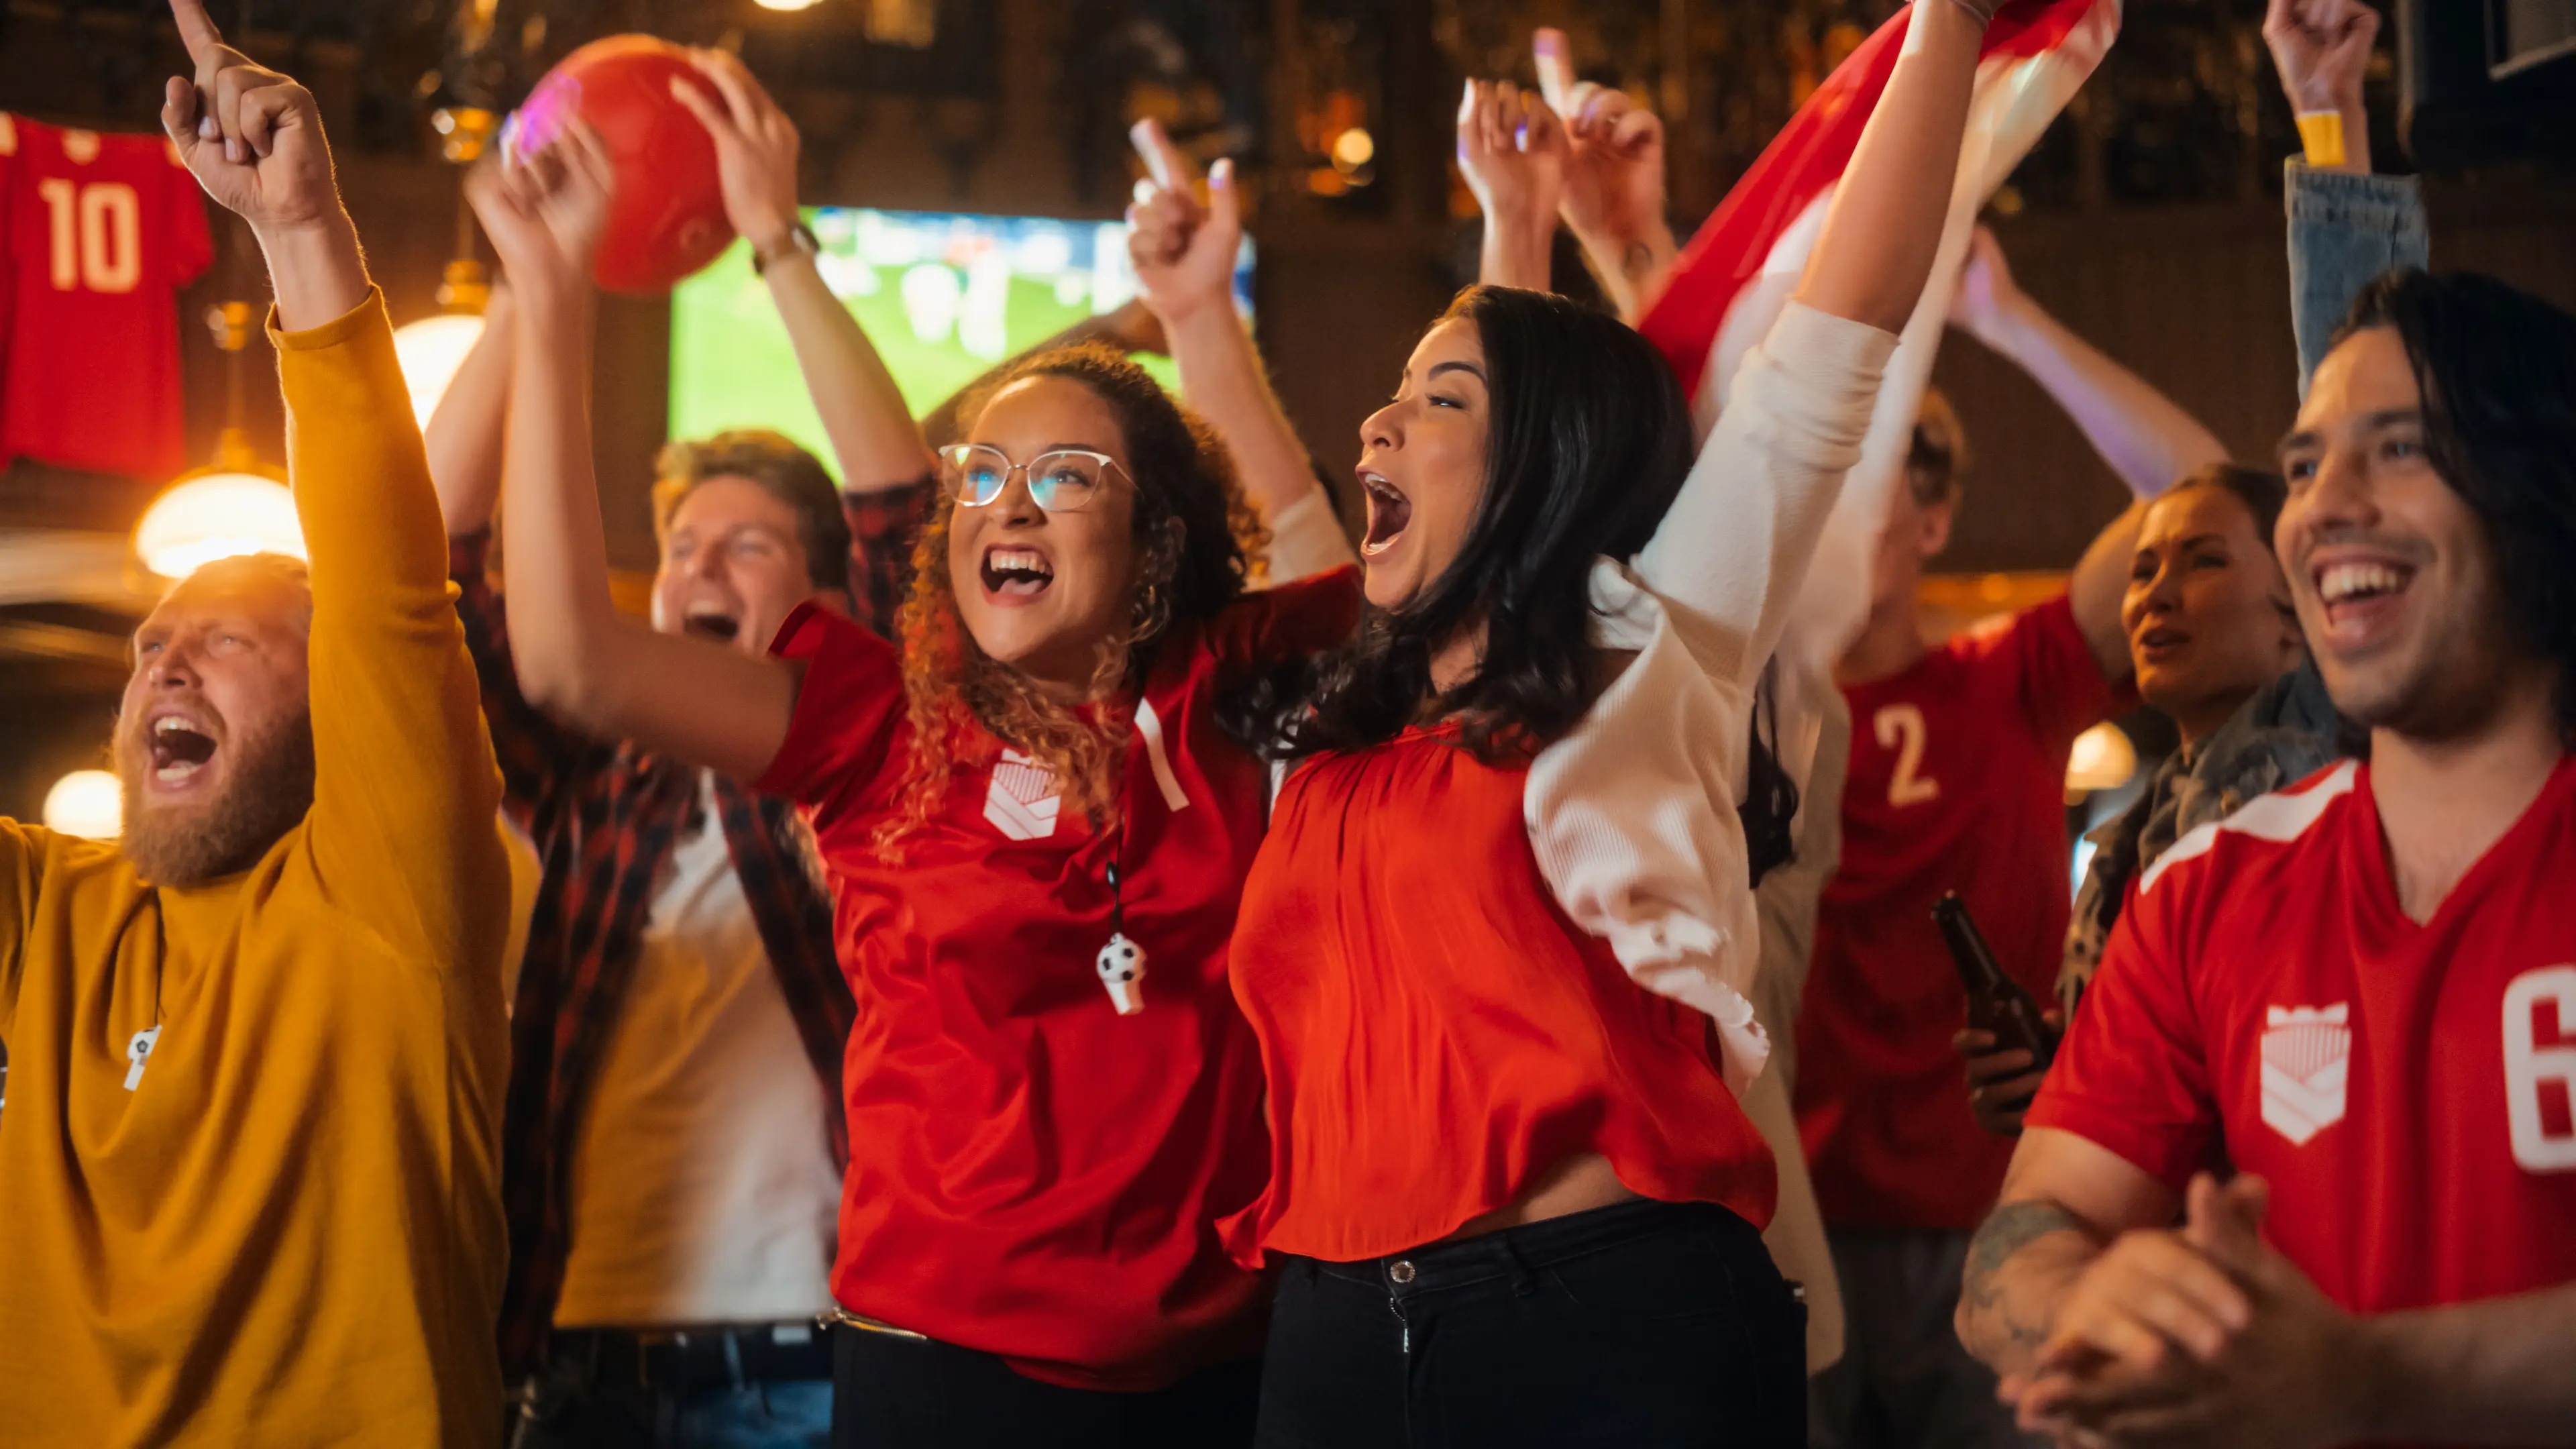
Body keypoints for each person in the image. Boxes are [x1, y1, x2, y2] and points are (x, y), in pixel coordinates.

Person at [467, 77, 1352, 1449]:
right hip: (936, 1376)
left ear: (1158, 541)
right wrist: (554, 295)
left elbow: (1348, 567)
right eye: (981, 476)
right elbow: (573, 660)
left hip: (1223, 1374)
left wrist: (1199, 323)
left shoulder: (1228, 697)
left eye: (1065, 475)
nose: (1005, 499)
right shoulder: (886, 726)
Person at [1220, 3, 1997, 1443]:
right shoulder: (1337, 731)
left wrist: (1946, 24)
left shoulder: (1652, 645)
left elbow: (1844, 327)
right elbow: (1478, 427)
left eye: (1430, 402)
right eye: (1383, 399)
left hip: (1596, 1322)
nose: (1375, 428)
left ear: (1551, 461)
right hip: (1327, 1331)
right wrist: (1506, 230)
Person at [0, 4, 513, 1443]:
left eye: (227, 644)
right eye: (154, 647)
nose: (166, 664)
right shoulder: (48, 913)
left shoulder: (388, 899)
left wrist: (300, 232)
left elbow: (392, 593)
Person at [1955, 262, 2576, 1449]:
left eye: (2400, 449)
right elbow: (2026, 1230)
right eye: (2302, 466)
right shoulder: (2203, 890)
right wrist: (2096, 1307)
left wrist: (2371, 1381)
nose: (2323, 504)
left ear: (2538, 496)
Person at [1792, 219, 2233, 1449]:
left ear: (1931, 522)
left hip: (1991, 1221)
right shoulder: (1753, 707)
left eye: (1876, 472)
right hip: (1790, 1224)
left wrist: (2005, 316)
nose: (1837, 503)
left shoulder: (2007, 682)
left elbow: (2201, 494)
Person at [1958, 464, 2334, 1136]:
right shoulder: (2146, 829)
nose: (2156, 595)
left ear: (2298, 609)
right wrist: (2064, 1066)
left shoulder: (2314, 793)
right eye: (2142, 572)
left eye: (2204, 562)